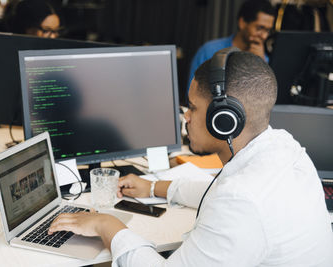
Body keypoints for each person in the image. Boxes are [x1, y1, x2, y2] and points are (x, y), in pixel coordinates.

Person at [48, 49, 333, 266]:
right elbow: (216, 190)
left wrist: (107, 225)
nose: (185, 116)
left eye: (193, 108)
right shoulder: (283, 147)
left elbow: (233, 200)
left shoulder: (242, 201)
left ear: (224, 119)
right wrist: (153, 188)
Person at [187, 0, 275, 95]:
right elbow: (192, 94)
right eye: (260, 28)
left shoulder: (264, 60)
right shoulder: (209, 51)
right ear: (242, 23)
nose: (264, 36)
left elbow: (266, 101)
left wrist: (259, 65)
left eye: (268, 30)